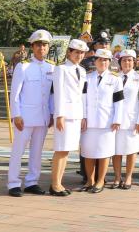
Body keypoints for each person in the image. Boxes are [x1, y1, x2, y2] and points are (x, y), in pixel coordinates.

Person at [8, 29, 55, 197]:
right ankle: (13, 183)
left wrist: (52, 113)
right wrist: (16, 115)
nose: (41, 48)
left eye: (44, 45)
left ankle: (32, 182)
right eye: (38, 45)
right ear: (32, 47)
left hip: (43, 117)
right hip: (25, 117)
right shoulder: (23, 66)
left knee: (37, 152)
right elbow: (15, 94)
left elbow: (51, 94)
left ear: (48, 47)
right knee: (18, 151)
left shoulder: (52, 67)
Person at [80, 48, 123, 193]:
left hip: (107, 122)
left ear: (109, 62)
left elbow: (119, 102)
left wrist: (117, 119)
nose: (103, 62)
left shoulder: (115, 79)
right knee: (88, 152)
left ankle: (100, 181)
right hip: (89, 122)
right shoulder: (87, 78)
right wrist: (83, 117)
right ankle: (90, 180)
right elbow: (83, 99)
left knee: (104, 152)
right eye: (100, 59)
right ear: (95, 61)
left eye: (106, 60)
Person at [49, 38, 88, 196]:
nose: (79, 55)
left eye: (82, 53)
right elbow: (58, 93)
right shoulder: (61, 69)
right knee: (61, 149)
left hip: (76, 115)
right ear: (69, 52)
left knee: (67, 150)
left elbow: (82, 95)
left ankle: (59, 182)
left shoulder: (82, 71)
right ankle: (55, 184)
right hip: (65, 115)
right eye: (76, 52)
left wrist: (83, 116)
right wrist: (59, 115)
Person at [111, 49, 139, 190]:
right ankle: (117, 177)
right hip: (116, 120)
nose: (127, 62)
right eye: (124, 60)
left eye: (130, 60)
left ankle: (128, 177)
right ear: (120, 62)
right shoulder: (114, 77)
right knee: (116, 151)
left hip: (133, 121)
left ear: (134, 62)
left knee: (131, 150)